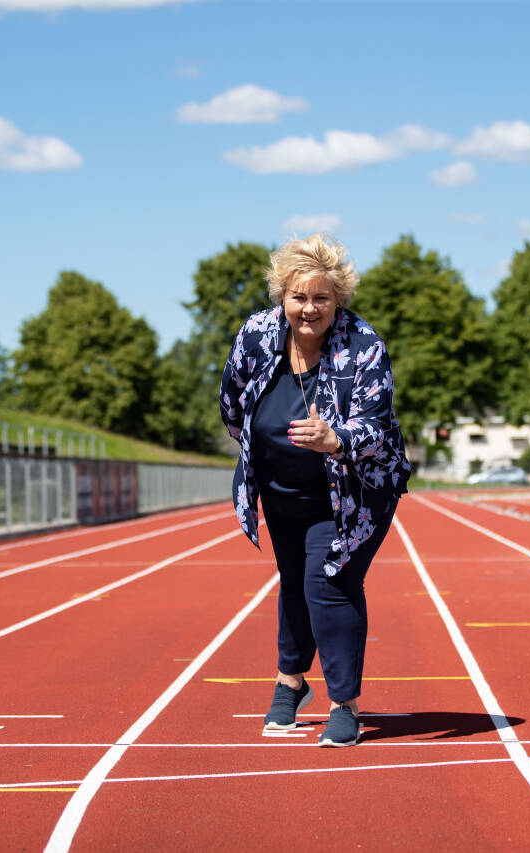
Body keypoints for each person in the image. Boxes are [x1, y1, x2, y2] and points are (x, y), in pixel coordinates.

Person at [220, 233, 411, 747]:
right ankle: (291, 682)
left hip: (354, 489)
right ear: (282, 296)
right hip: (282, 490)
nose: (309, 309)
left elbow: (376, 425)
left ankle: (344, 703)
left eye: (321, 298)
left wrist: (336, 439)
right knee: (294, 579)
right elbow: (232, 405)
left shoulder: (362, 345)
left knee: (328, 583)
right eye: (299, 297)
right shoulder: (257, 336)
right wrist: (266, 454)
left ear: (337, 300)